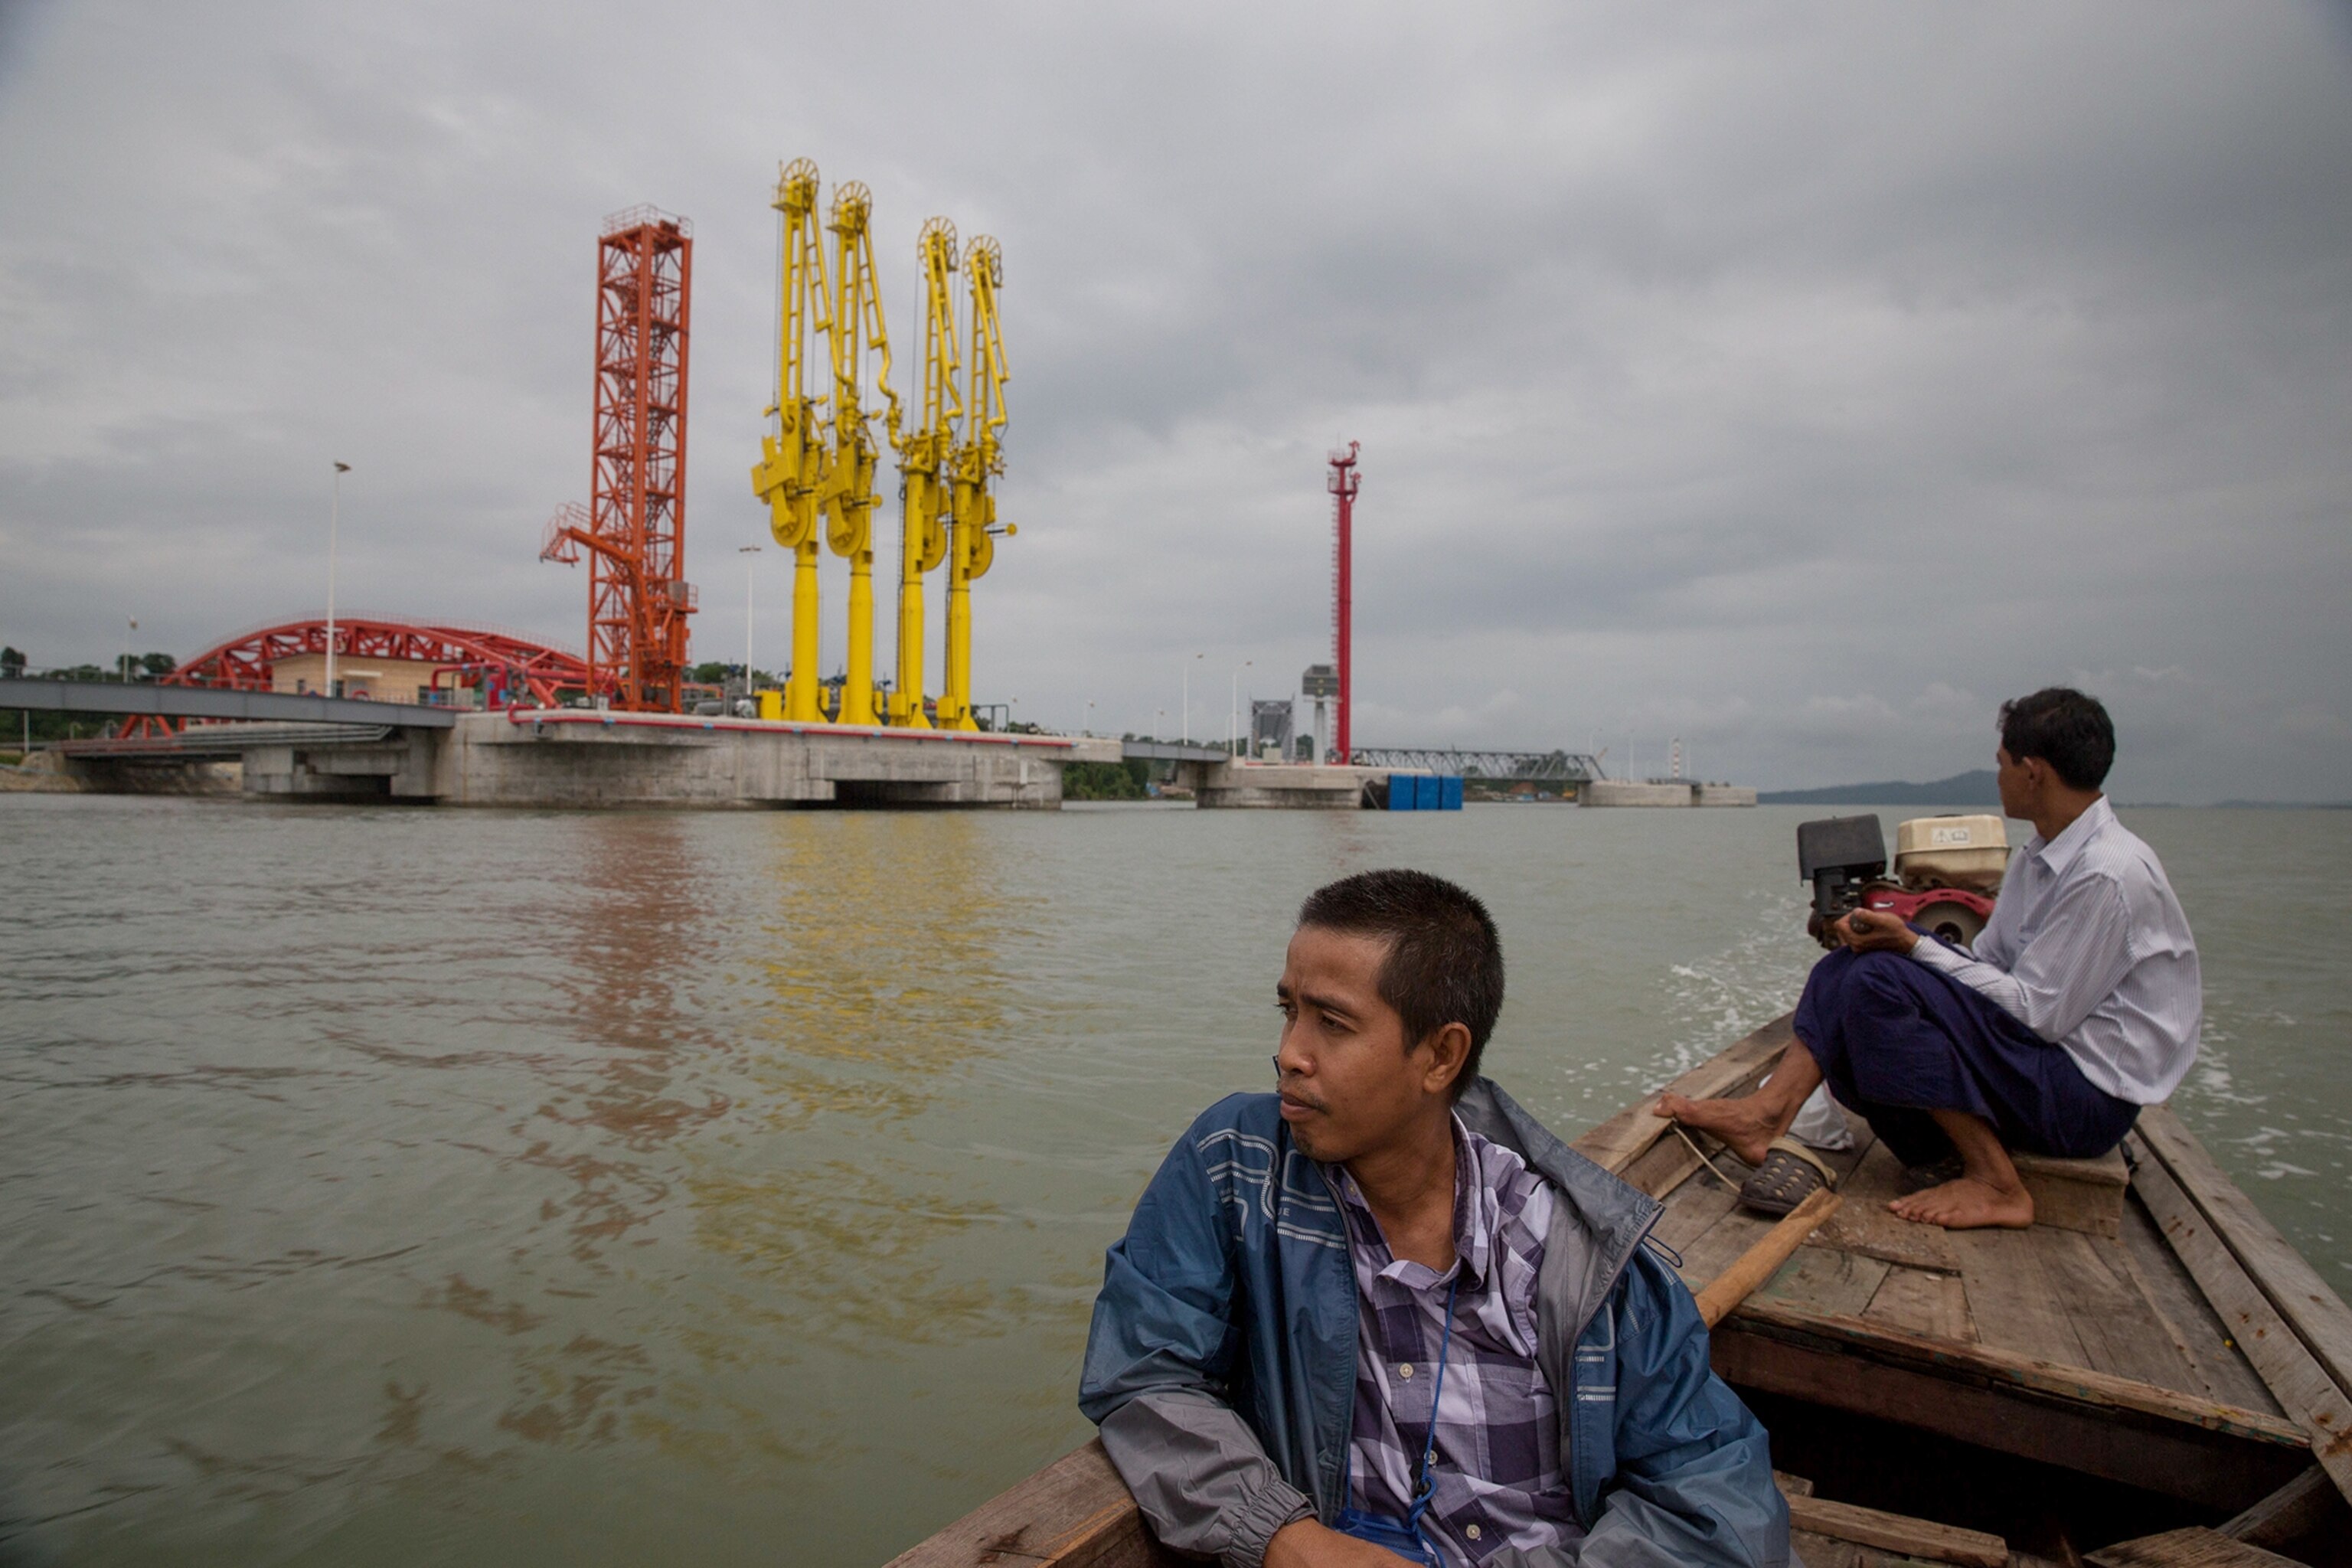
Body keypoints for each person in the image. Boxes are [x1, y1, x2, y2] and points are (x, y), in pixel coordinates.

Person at [1080, 870, 1788, 1568]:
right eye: (1288, 1011)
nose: (1290, 1053)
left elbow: (1713, 1495)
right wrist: (1287, 1538)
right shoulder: (1238, 1169)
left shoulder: (1575, 1256)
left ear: (1441, 1055)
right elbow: (1145, 1371)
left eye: (1332, 1023)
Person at [1663, 688, 2200, 1230]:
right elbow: (1987, 961)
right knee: (1850, 963)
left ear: (2033, 772)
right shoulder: (2042, 855)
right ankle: (1768, 1113)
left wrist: (1914, 947)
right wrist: (1899, 939)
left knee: (1878, 979)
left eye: (2003, 765)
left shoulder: (2106, 874)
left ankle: (1997, 1184)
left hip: (2082, 1099)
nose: (1999, 778)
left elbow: (2040, 1015)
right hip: (2041, 1063)